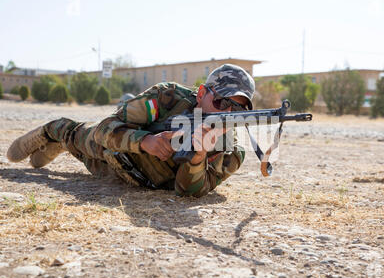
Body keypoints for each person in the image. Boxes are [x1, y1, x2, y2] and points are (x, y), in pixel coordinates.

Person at [6, 64, 255, 197]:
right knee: (74, 136)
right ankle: (51, 132)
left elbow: (190, 192)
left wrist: (198, 158)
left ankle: (58, 145)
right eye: (222, 103)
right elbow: (105, 128)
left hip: (123, 177)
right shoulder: (168, 97)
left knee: (80, 156)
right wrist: (144, 141)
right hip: (111, 148)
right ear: (201, 93)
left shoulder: (231, 152)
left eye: (237, 110)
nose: (226, 114)